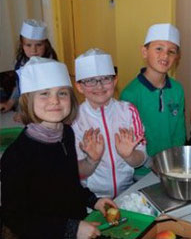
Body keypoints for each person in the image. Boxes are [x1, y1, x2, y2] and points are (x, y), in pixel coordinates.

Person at [1, 57, 116, 239]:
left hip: (78, 225)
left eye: (62, 93)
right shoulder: (17, 156)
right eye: (44, 93)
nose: (55, 101)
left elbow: (69, 185)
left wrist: (94, 201)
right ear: (28, 100)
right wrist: (71, 228)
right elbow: (15, 218)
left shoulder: (67, 134)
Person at [72, 49, 147, 198]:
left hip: (127, 193)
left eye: (106, 78)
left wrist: (129, 155)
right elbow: (76, 171)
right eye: (90, 80)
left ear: (115, 80)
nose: (99, 86)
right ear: (79, 86)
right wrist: (91, 160)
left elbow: (141, 158)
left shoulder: (129, 111)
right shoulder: (75, 120)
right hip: (91, 199)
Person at [120, 23, 186, 174]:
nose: (165, 56)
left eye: (171, 51)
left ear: (177, 57)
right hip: (142, 170)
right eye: (159, 49)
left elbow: (179, 131)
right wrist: (149, 163)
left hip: (171, 166)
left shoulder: (177, 89)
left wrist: (175, 159)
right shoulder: (130, 94)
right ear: (144, 52)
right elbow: (130, 139)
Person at [0, 19, 58, 113]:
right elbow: (19, 86)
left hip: (46, 108)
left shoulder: (51, 65)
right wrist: (10, 103)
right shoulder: (20, 63)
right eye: (28, 45)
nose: (33, 50)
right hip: (25, 105)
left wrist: (29, 114)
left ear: (46, 45)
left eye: (39, 45)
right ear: (22, 45)